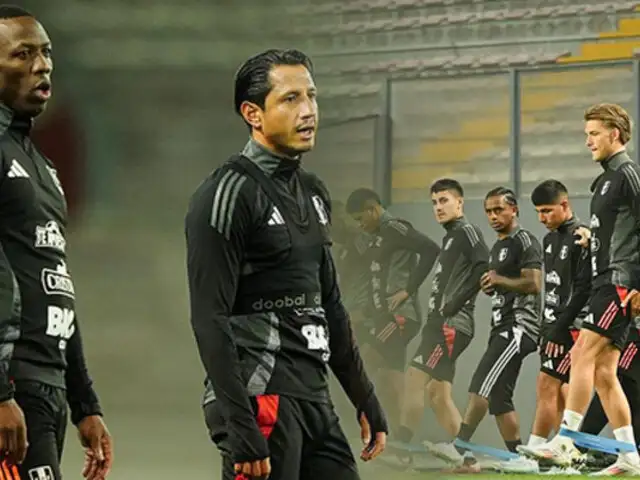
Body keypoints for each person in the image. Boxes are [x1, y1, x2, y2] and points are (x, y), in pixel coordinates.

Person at [185, 48, 388, 480]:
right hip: (260, 398)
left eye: (312, 96)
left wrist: (363, 397)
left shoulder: (314, 192)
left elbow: (329, 305)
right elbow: (209, 317)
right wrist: (240, 425)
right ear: (253, 114)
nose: (309, 110)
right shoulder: (227, 194)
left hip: (314, 399)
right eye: (291, 99)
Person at [0, 6, 112, 480]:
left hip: (44, 386)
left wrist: (84, 400)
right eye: (22, 54)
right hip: (13, 386)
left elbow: (55, 280)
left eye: (45, 52)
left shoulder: (41, 165)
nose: (42, 65)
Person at [520, 103, 640, 475]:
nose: (587, 141)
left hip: (619, 282)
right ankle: (630, 456)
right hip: (608, 279)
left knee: (581, 351)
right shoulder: (603, 180)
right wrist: (593, 239)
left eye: (593, 133)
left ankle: (567, 440)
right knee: (605, 372)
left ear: (614, 134)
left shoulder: (627, 174)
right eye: (586, 133)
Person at [426, 187, 542, 469]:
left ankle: (459, 445)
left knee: (480, 384)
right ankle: (521, 459)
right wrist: (491, 286)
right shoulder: (499, 246)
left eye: (499, 210)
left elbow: (533, 283)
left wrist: (499, 280)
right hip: (501, 326)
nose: (493, 216)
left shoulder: (525, 240)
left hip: (518, 326)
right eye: (488, 211)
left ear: (514, 209)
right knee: (500, 398)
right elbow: (502, 282)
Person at [500, 180, 590, 474]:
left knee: (547, 384)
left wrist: (561, 327)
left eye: (548, 211)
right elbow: (551, 289)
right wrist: (545, 325)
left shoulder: (581, 237)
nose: (542, 218)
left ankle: (534, 453)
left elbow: (582, 290)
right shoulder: (549, 240)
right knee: (559, 391)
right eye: (538, 212)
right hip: (552, 326)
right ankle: (567, 457)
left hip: (570, 328)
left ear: (565, 205)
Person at [344, 187, 439, 439]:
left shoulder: (394, 228)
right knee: (387, 378)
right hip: (384, 318)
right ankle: (398, 441)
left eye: (360, 218)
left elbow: (431, 249)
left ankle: (388, 437)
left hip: (400, 317)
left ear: (372, 209)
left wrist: (408, 290)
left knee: (365, 364)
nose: (360, 225)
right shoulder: (376, 237)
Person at [401, 178, 489, 441]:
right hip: (438, 323)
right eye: (434, 203)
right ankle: (466, 458)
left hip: (449, 325)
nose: (438, 207)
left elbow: (484, 266)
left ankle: (401, 449)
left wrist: (454, 304)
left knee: (414, 378)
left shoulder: (467, 232)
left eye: (444, 201)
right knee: (437, 395)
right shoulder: (451, 237)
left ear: (459, 203)